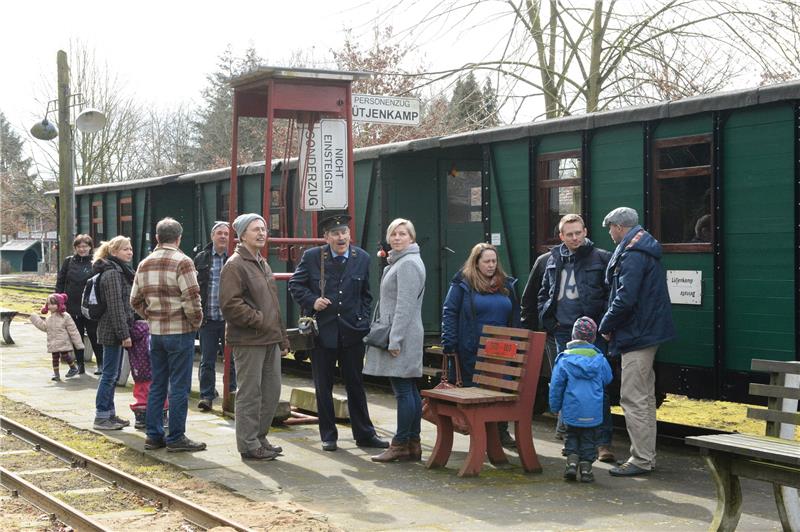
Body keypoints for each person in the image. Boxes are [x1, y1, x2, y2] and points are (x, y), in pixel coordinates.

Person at [288, 213, 388, 452]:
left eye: (344, 232)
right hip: (323, 333)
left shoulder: (361, 258)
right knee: (323, 386)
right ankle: (328, 436)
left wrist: (363, 320)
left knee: (356, 385)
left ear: (349, 235)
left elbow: (366, 295)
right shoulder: (313, 257)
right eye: (335, 233)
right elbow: (295, 285)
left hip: (352, 333)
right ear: (326, 237)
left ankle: (365, 434)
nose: (341, 237)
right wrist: (313, 301)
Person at [599, 207, 675, 477]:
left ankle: (641, 459)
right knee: (644, 397)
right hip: (646, 331)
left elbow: (625, 298)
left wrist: (606, 324)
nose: (609, 233)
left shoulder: (632, 254)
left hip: (637, 334)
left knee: (632, 398)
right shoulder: (643, 249)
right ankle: (646, 457)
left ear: (619, 227)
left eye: (610, 228)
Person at [537, 213, 615, 461]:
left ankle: (603, 443)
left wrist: (603, 324)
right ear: (561, 236)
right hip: (563, 330)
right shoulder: (552, 259)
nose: (574, 238)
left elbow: (610, 294)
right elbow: (544, 293)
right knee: (566, 384)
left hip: (593, 334)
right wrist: (549, 321)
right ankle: (570, 440)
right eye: (569, 234)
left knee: (597, 387)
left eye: (578, 233)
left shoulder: (601, 257)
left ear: (585, 232)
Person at [130, 217, 205, 453]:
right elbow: (192, 297)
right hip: (180, 331)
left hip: (156, 333)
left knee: (157, 384)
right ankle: (176, 437)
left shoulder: (144, 263)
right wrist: (195, 322)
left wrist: (151, 316)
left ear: (157, 238)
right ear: (179, 238)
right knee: (179, 387)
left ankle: (153, 436)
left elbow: (135, 300)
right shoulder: (183, 262)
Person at [220, 213, 289, 461]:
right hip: (249, 340)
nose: (261, 233)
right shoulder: (235, 265)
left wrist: (282, 337)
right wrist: (259, 320)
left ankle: (260, 438)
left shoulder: (262, 263)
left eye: (264, 229)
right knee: (250, 394)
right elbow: (230, 305)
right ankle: (248, 444)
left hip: (269, 339)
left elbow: (274, 306)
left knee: (271, 392)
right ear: (242, 235)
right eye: (255, 229)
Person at [441, 242, 520, 447]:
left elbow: (515, 315)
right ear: (476, 263)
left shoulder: (506, 285)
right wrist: (449, 343)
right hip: (472, 347)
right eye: (487, 261)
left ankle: (500, 432)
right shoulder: (463, 284)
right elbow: (450, 312)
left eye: (494, 261)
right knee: (475, 391)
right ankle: (478, 434)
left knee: (501, 390)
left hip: (502, 350)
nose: (491, 265)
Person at [363, 218, 426, 463]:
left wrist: (395, 339)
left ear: (412, 238)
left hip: (402, 333)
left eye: (402, 234)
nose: (397, 238)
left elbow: (404, 306)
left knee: (403, 391)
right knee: (408, 389)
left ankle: (400, 444)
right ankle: (412, 444)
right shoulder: (402, 261)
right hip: (405, 331)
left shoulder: (408, 264)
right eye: (393, 234)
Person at [549, 317, 612, 483]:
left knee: (571, 436)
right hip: (593, 411)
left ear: (572, 336)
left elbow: (556, 386)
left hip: (571, 410)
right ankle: (586, 471)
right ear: (593, 338)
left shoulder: (564, 359)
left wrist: (555, 407)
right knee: (589, 440)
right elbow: (608, 378)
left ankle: (571, 465)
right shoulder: (600, 359)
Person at [92, 236, 135, 430]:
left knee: (113, 374)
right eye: (125, 249)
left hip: (115, 329)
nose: (130, 252)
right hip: (112, 331)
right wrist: (124, 334)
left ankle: (109, 414)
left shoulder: (119, 270)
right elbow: (116, 307)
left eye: (130, 248)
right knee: (109, 375)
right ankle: (101, 416)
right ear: (114, 252)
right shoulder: (112, 274)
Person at [194, 221, 236, 412]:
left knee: (232, 360)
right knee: (207, 360)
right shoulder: (201, 258)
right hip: (208, 317)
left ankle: (232, 394)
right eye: (219, 233)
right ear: (212, 236)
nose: (223, 236)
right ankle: (207, 396)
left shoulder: (235, 258)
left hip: (230, 319)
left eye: (226, 234)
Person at [56, 234, 103, 374]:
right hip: (72, 304)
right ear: (75, 248)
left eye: (85, 246)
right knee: (76, 336)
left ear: (90, 247)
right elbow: (60, 281)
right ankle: (80, 364)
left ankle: (100, 363)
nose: (82, 249)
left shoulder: (97, 262)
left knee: (94, 334)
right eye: (79, 246)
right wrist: (58, 300)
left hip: (91, 305)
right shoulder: (69, 261)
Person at [29, 293, 83, 381]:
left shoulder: (65, 316)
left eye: (53, 304)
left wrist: (78, 344)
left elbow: (73, 330)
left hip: (63, 341)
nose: (50, 306)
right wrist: (35, 319)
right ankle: (56, 374)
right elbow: (44, 327)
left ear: (59, 304)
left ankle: (73, 368)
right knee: (55, 358)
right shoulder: (49, 318)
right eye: (49, 304)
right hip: (53, 341)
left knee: (65, 355)